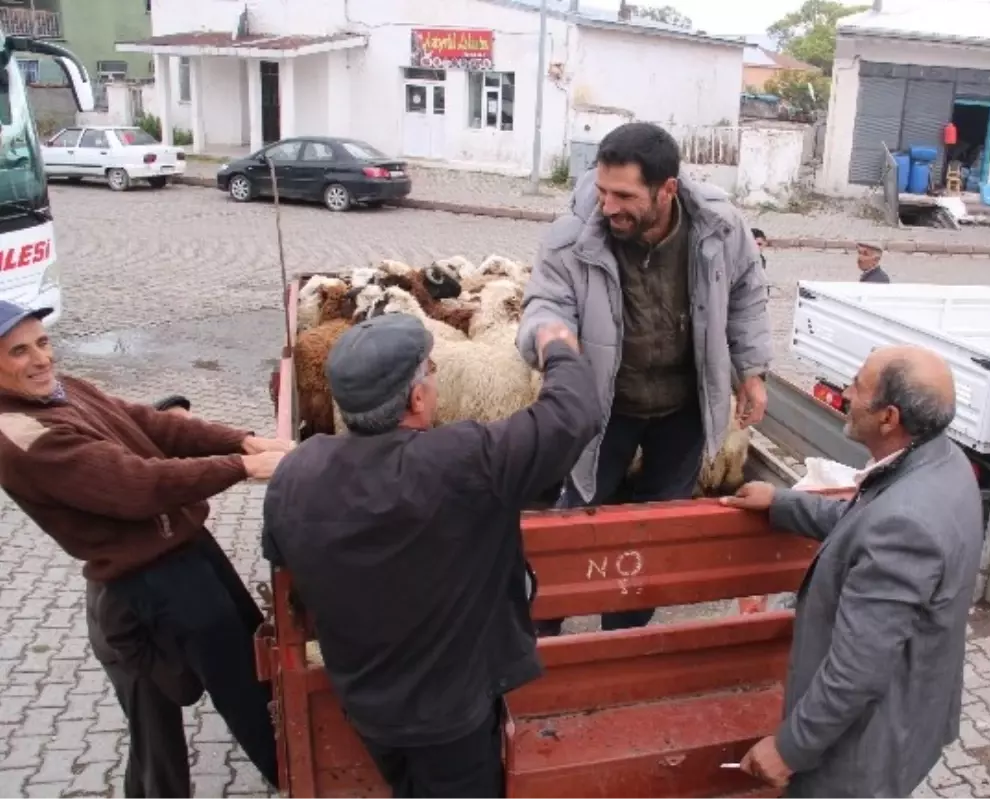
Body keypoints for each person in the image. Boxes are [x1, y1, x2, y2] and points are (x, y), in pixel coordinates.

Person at [262, 313, 602, 799]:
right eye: (433, 367)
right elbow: (571, 415)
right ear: (418, 397)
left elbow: (281, 555)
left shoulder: (297, 474)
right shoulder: (459, 462)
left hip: (367, 706)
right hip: (450, 718)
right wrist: (558, 348)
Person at [0, 300, 292, 790]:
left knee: (255, 651)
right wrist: (241, 468)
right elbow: (135, 486)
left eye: (43, 342)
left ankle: (285, 752)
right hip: (151, 579)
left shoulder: (61, 392)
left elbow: (148, 423)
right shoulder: (21, 433)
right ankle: (293, 773)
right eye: (18, 352)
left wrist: (241, 441)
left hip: (185, 547)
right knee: (238, 685)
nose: (42, 359)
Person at [517, 120, 771, 636]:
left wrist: (752, 370)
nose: (608, 206)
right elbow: (545, 301)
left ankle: (623, 635)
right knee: (577, 517)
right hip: (605, 407)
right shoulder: (573, 234)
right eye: (603, 190)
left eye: (624, 195)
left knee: (658, 531)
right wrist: (549, 336)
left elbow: (746, 292)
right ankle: (541, 636)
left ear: (667, 190)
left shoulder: (720, 228)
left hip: (682, 407)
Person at [722, 344, 983, 798]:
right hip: (915, 713)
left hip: (861, 758)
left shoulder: (906, 523)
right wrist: (784, 504)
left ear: (889, 418)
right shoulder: (942, 463)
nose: (845, 392)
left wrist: (790, 749)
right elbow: (863, 524)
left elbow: (856, 670)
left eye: (858, 386)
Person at [84, 394, 208, 799]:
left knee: (147, 745)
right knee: (161, 752)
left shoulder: (152, 504)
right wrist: (165, 672)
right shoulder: (138, 521)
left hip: (137, 638)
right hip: (133, 650)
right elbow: (115, 622)